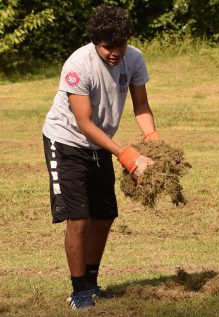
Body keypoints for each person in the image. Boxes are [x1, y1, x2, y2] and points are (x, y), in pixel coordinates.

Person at [42, 5, 160, 309]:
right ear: (96, 41)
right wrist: (126, 155)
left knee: (105, 215)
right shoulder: (78, 65)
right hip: (67, 142)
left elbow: (142, 106)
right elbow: (84, 124)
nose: (115, 53)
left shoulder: (134, 58)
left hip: (100, 144)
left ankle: (92, 282)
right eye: (108, 46)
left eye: (120, 45)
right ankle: (78, 290)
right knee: (79, 218)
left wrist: (154, 142)